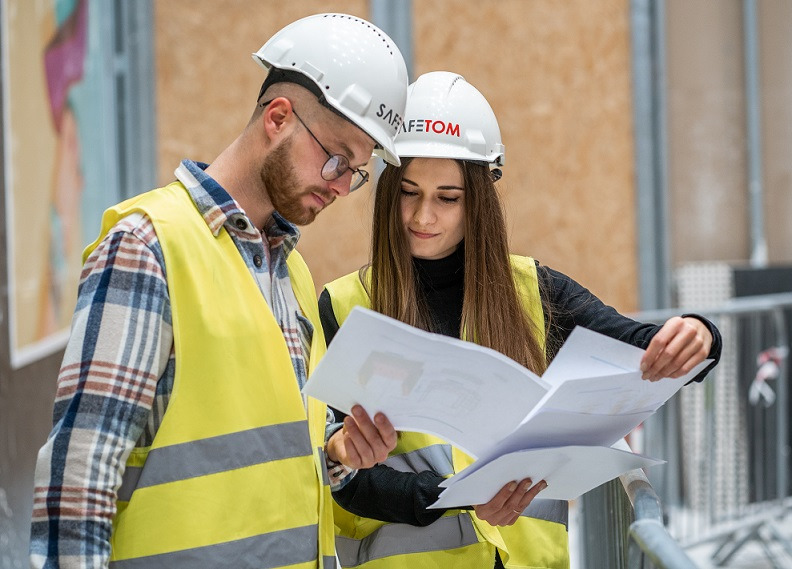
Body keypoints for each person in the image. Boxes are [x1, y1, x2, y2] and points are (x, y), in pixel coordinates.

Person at [30, 13, 408, 569]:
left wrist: (336, 452)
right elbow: (80, 482)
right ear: (278, 118)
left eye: (354, 172)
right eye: (335, 158)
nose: (339, 186)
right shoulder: (147, 248)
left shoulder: (292, 273)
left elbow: (266, 462)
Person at [318, 71, 722, 569]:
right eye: (407, 192)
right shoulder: (344, 305)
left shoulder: (534, 288)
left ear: (479, 203)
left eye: (448, 198)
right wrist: (454, 494)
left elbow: (649, 349)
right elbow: (343, 477)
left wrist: (700, 335)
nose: (423, 217)